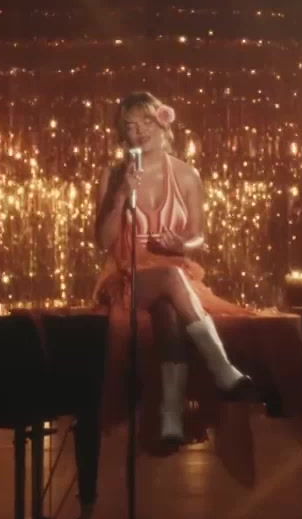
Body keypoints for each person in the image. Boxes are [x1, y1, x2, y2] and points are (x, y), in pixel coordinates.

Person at [92, 91, 260, 447]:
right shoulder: (113, 174)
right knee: (170, 279)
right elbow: (103, 241)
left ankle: (171, 418)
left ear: (162, 124)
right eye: (130, 125)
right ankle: (221, 368)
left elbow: (199, 236)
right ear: (122, 133)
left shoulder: (186, 174)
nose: (139, 131)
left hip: (175, 274)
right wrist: (120, 196)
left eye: (146, 122)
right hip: (127, 276)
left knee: (169, 316)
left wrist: (182, 244)